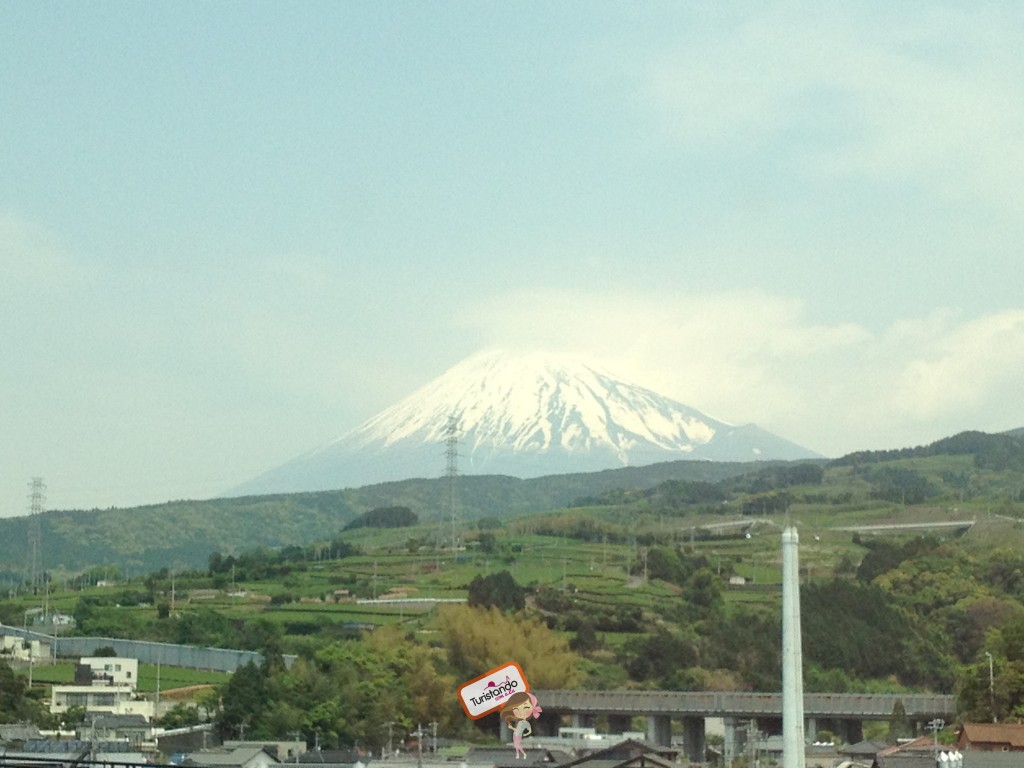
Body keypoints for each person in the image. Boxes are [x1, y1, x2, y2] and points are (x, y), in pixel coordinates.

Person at [499, 691, 543, 759]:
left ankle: (521, 754)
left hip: (520, 739)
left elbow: (528, 729)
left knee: (517, 746)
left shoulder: (525, 723)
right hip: (517, 737)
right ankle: (520, 755)